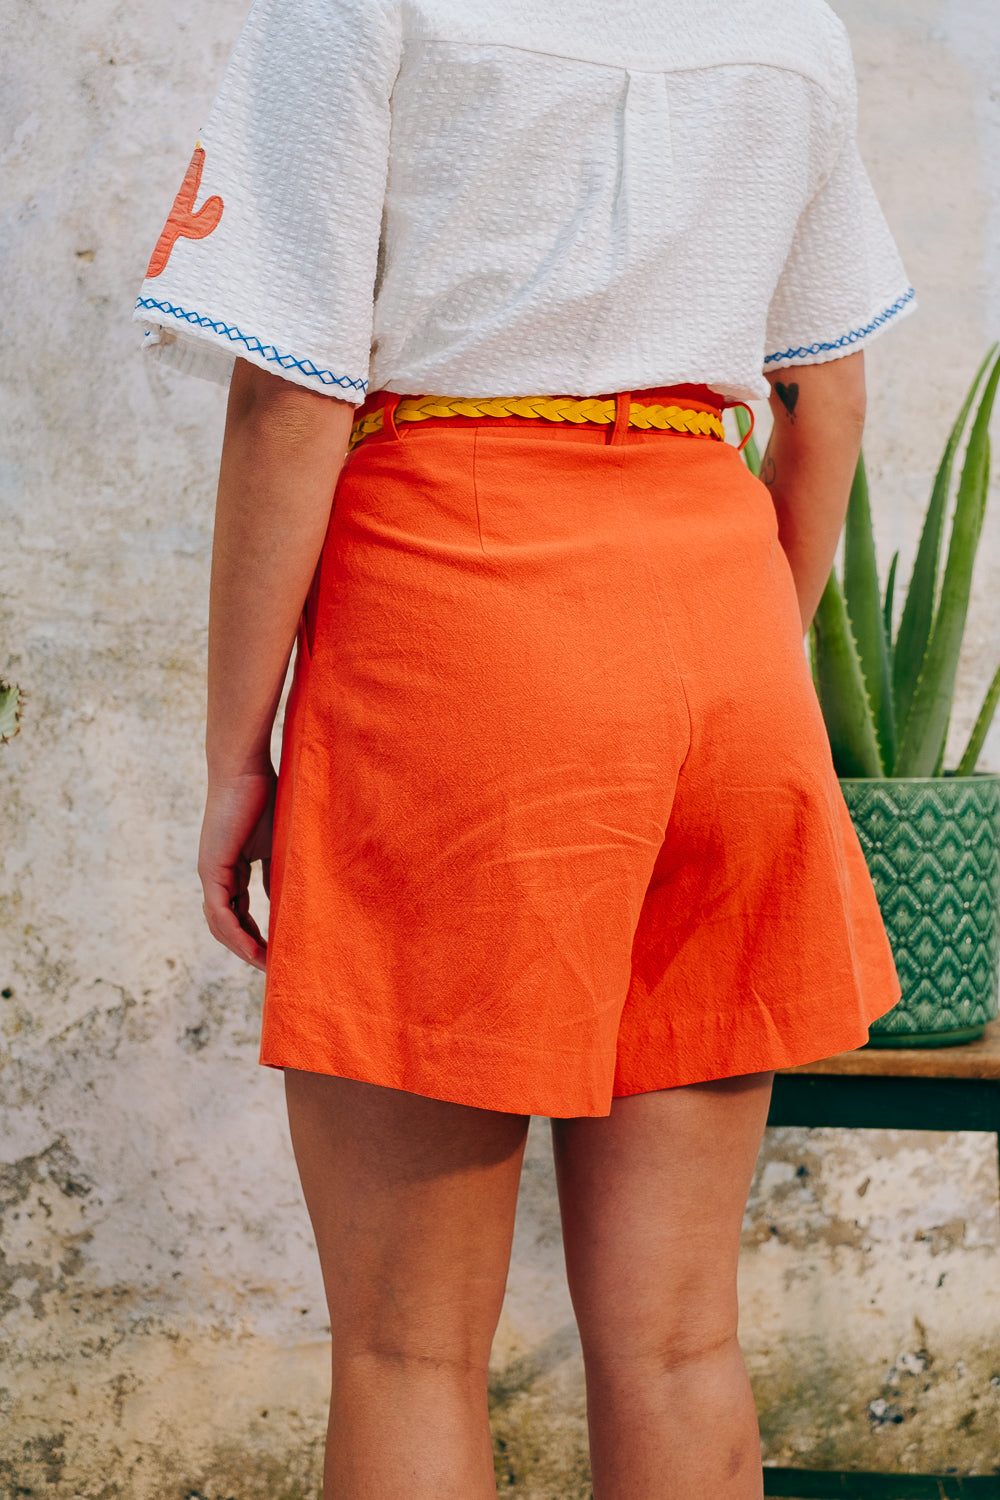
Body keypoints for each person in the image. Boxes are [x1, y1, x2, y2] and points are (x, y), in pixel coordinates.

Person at [135, 1, 914, 1494]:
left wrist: (237, 756)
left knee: (411, 1349)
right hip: (721, 614)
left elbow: (291, 398)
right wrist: (734, 656)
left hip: (466, 615)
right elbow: (826, 394)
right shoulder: (789, 24)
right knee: (682, 1341)